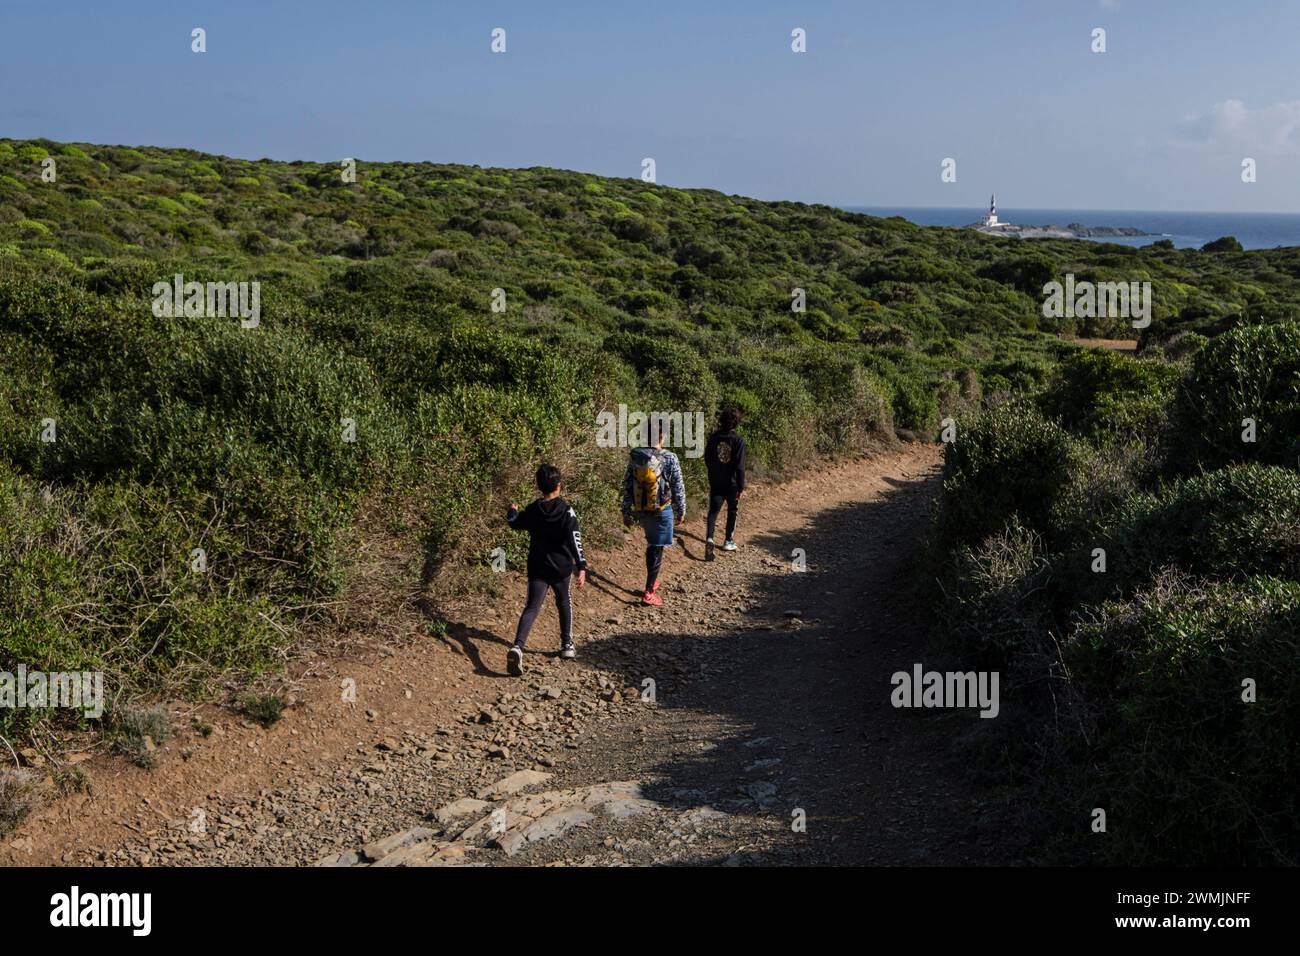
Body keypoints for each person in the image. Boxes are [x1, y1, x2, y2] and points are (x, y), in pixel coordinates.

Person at [505, 464, 587, 676]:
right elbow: (574, 539)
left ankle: (517, 646)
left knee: (531, 607)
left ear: (538, 486)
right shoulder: (566, 511)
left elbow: (514, 523)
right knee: (564, 602)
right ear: (558, 486)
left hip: (537, 567)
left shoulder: (533, 510)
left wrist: (512, 511)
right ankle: (567, 645)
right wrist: (581, 566)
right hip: (561, 568)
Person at [621, 422, 686, 606]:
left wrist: (625, 510)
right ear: (662, 436)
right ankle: (649, 591)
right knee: (657, 547)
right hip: (662, 509)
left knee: (653, 544)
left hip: (642, 509)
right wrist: (681, 510)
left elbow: (627, 485)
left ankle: (652, 580)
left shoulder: (636, 456)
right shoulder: (669, 457)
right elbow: (678, 487)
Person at [704, 408, 747, 561]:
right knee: (732, 510)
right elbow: (740, 466)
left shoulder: (714, 437)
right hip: (732, 483)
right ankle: (728, 540)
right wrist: (741, 485)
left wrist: (714, 472)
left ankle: (709, 538)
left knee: (713, 511)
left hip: (716, 480)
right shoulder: (738, 441)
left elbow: (707, 457)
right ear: (736, 422)